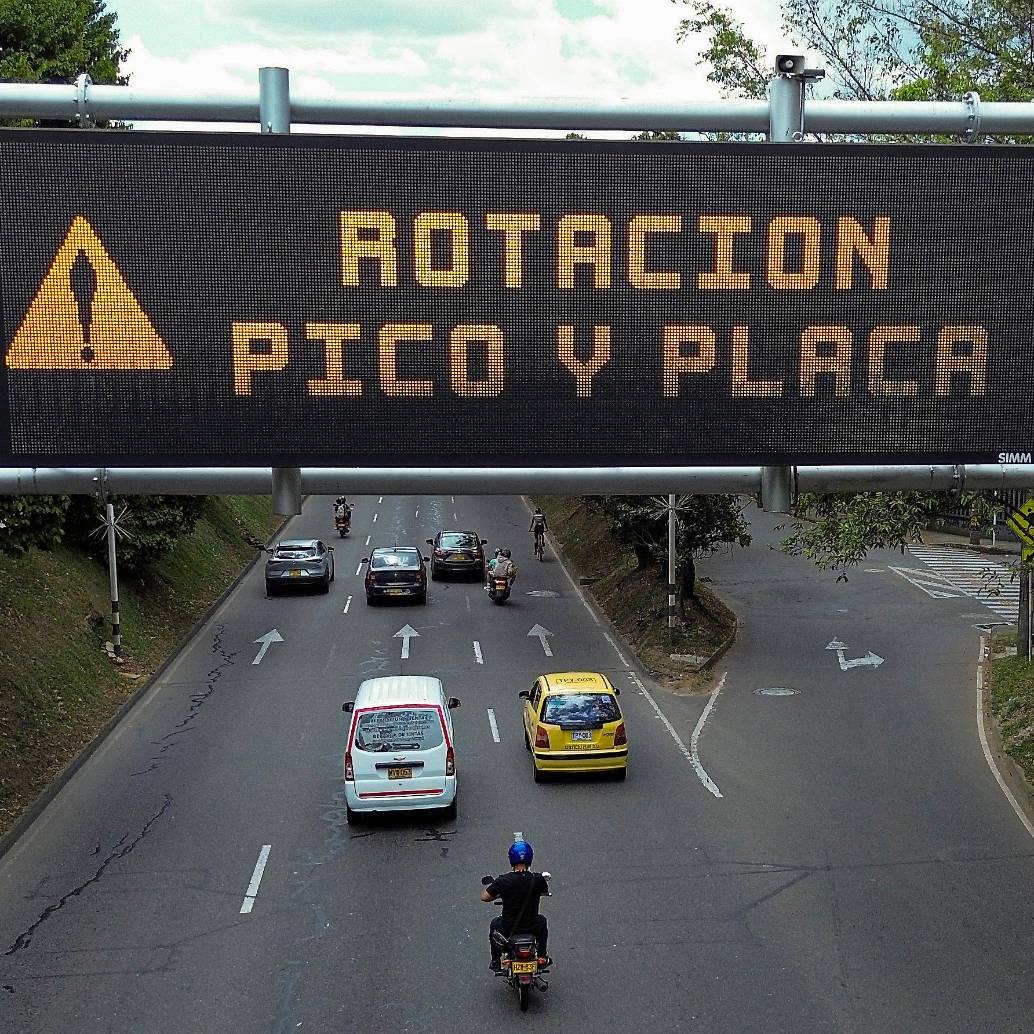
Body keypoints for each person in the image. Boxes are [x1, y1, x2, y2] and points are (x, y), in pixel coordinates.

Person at [481, 839, 550, 972]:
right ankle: (542, 956)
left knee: (494, 923)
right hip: (532, 926)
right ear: (530, 857)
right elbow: (544, 891)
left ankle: (496, 960)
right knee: (542, 920)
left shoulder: (503, 880)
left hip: (509, 928)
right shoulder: (538, 879)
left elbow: (484, 897)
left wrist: (498, 892)